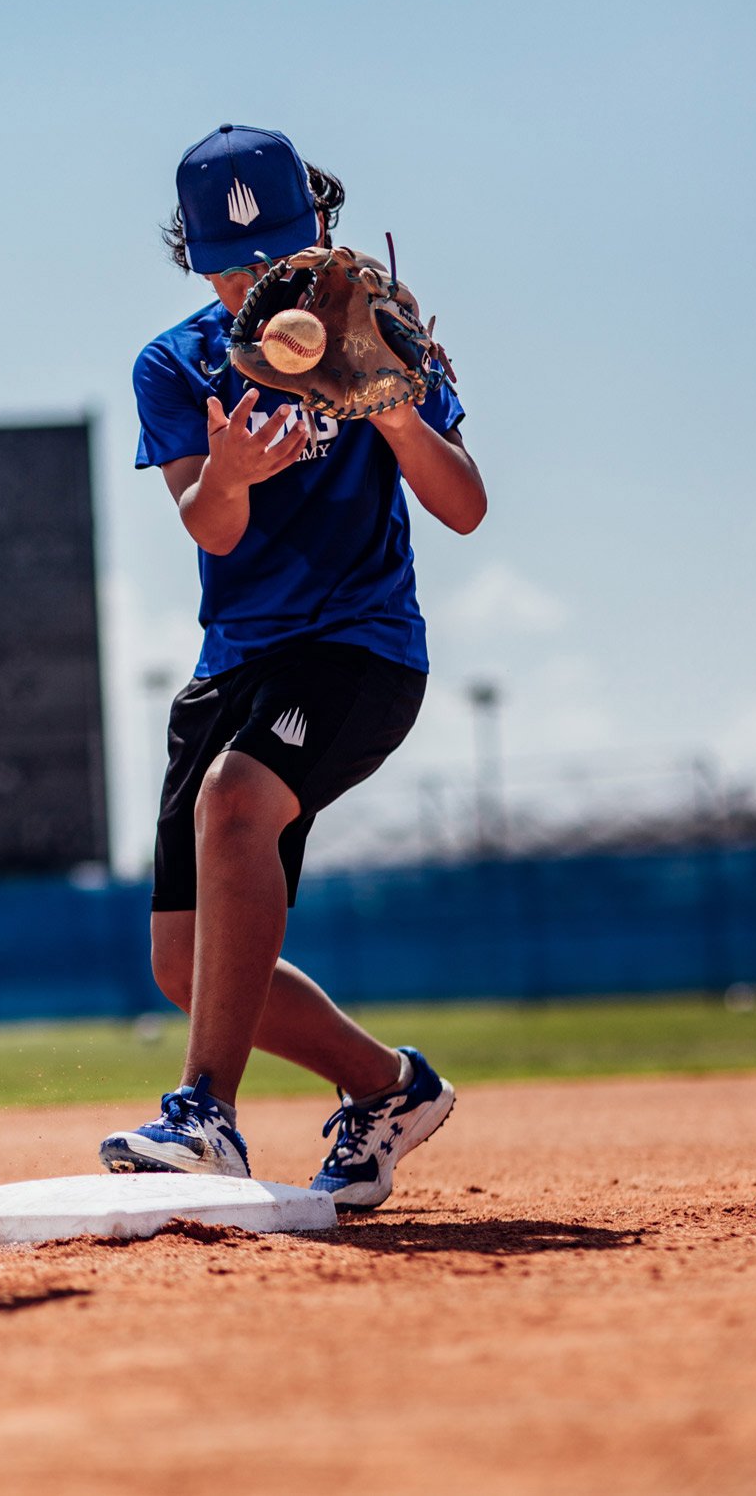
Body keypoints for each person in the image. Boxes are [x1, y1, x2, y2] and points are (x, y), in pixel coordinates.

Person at [98, 124, 486, 1209]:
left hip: (359, 648)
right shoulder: (174, 362)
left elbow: (461, 505)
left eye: (264, 255)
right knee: (188, 968)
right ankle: (388, 1088)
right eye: (219, 263)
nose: (241, 282)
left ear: (316, 228)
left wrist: (395, 407)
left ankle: (203, 1113)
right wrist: (225, 472)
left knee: (235, 801)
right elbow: (211, 532)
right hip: (236, 664)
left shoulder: (382, 333)